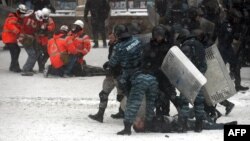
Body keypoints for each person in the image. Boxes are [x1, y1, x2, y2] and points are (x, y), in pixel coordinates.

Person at [88, 33, 124, 123]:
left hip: (118, 75)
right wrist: (109, 64)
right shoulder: (113, 46)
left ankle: (123, 112)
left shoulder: (119, 47)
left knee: (122, 96)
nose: (109, 38)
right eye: (109, 37)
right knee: (103, 94)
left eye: (112, 37)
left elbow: (118, 61)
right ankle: (100, 114)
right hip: (112, 74)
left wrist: (110, 65)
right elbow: (113, 59)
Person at [176, 29, 207, 133]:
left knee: (184, 101)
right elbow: (204, 64)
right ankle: (199, 125)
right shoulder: (200, 45)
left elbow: (184, 64)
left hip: (188, 77)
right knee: (199, 102)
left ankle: (183, 125)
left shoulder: (186, 46)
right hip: (199, 76)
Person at [2, 4, 28, 73]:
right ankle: (15, 67)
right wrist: (18, 32)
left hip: (11, 38)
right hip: (8, 38)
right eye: (22, 13)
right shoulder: (13, 17)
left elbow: (20, 28)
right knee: (15, 51)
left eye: (24, 13)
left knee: (16, 50)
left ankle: (12, 66)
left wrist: (23, 34)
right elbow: (11, 26)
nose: (23, 15)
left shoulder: (17, 18)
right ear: (18, 11)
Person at [20, 10, 44, 76]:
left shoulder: (37, 19)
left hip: (32, 38)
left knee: (36, 53)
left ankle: (29, 68)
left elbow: (36, 29)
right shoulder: (27, 18)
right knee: (32, 54)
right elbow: (24, 28)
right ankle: (25, 70)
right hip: (26, 38)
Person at [36, 7, 55, 72]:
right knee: (39, 53)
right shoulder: (38, 18)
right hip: (38, 38)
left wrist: (46, 27)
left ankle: (42, 64)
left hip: (46, 39)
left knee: (47, 53)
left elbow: (52, 27)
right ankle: (41, 67)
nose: (45, 17)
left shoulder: (50, 20)